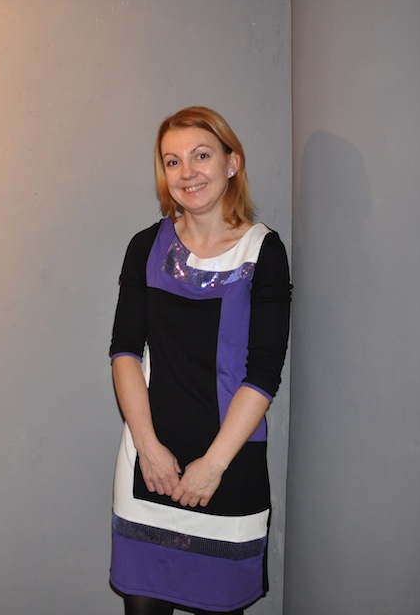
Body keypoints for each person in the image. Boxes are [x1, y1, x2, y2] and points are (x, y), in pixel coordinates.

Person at [108, 106, 291, 615]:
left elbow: (263, 373)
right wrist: (148, 449)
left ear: (232, 162)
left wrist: (213, 465)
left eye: (201, 156)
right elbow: (124, 352)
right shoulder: (146, 247)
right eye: (172, 161)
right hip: (150, 465)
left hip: (227, 465)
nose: (186, 172)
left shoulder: (263, 251)